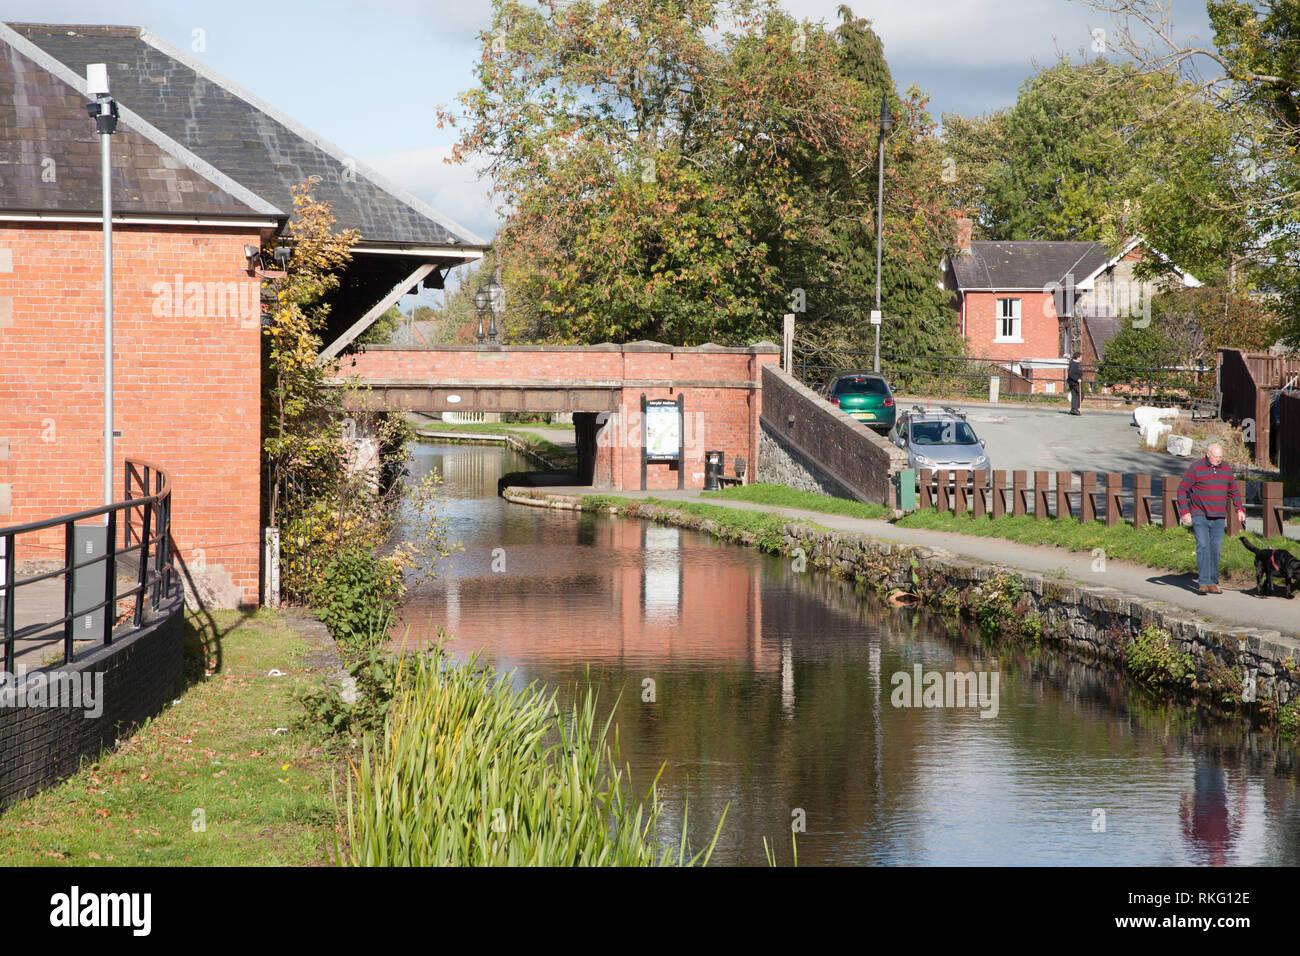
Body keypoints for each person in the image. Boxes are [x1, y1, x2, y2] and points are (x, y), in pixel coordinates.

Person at [1176, 442, 1246, 595]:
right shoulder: (1196, 468)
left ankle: (1212, 582)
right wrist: (1184, 512)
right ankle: (1203, 582)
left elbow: (1234, 491)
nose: (1218, 460)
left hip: (1219, 516)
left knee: (1215, 549)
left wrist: (1239, 509)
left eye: (1220, 457)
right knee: (1203, 545)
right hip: (1199, 513)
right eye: (1215, 457)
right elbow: (1182, 490)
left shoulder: (1226, 469)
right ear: (1208, 454)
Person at [1066, 350, 1083, 415]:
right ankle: (1075, 408)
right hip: (1073, 382)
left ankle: (1074, 409)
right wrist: (1077, 379)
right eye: (1080, 357)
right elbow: (1071, 374)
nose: (1081, 358)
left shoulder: (1077, 364)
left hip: (1076, 382)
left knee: (1075, 395)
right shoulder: (1073, 364)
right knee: (1080, 393)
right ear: (1077, 357)